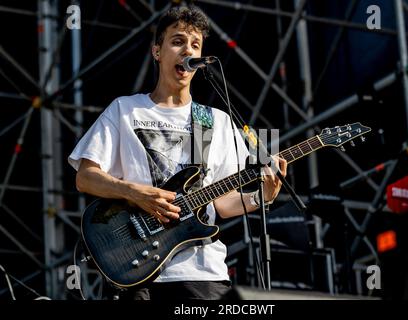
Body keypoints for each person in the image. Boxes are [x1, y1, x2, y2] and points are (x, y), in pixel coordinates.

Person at [68, 5, 287, 300]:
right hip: (137, 270)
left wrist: (262, 196)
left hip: (203, 274)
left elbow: (220, 203)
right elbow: (85, 178)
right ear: (157, 51)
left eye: (195, 44)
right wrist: (134, 192)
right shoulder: (125, 110)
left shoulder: (212, 121)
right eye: (178, 41)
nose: (188, 50)